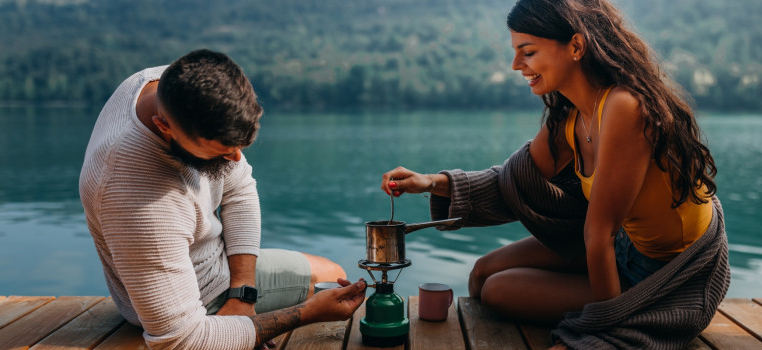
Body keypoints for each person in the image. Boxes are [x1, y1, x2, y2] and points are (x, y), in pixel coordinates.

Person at [380, 0, 729, 348]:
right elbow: (515, 182)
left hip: (666, 275)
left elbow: (599, 232)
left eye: (527, 52)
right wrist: (431, 182)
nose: (516, 65)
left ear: (576, 46)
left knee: (497, 291)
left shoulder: (625, 106)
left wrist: (605, 331)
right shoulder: (572, 118)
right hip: (623, 246)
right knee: (482, 273)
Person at [79, 49, 366, 350]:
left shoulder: (176, 87)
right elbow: (178, 341)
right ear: (164, 127)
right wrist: (302, 315)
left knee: (333, 276)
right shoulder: (136, 196)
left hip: (217, 269)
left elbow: (239, 188)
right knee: (327, 290)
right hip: (178, 304)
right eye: (222, 151)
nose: (236, 158)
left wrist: (243, 294)